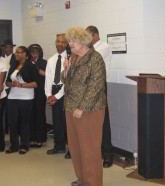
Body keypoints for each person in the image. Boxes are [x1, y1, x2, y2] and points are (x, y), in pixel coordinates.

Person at [62, 27, 106, 186]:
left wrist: (82, 107)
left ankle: (93, 182)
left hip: (89, 110)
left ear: (82, 41)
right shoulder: (74, 57)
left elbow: (96, 86)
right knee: (75, 147)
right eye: (69, 41)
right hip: (70, 107)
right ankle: (82, 179)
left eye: (72, 41)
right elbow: (66, 80)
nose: (69, 44)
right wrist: (65, 71)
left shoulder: (95, 58)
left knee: (89, 149)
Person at [86, 25, 113, 168]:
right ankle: (94, 154)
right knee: (90, 121)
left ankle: (108, 154)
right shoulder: (89, 48)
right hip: (87, 86)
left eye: (88, 36)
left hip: (100, 85)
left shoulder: (104, 47)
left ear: (95, 35)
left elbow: (90, 59)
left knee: (103, 120)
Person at [5, 46, 38, 155]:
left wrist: (21, 85)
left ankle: (24, 145)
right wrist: (12, 84)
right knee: (12, 122)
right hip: (12, 97)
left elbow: (36, 83)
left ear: (25, 54)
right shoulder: (14, 65)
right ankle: (14, 145)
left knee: (24, 122)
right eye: (16, 52)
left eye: (18, 52)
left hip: (26, 98)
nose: (16, 54)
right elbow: (7, 82)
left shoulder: (31, 66)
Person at [45, 34, 70, 158]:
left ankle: (71, 150)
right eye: (58, 41)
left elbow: (68, 81)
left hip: (65, 91)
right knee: (57, 122)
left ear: (67, 44)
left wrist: (57, 96)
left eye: (63, 42)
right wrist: (49, 95)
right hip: (54, 90)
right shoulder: (51, 59)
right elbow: (48, 79)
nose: (60, 44)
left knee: (67, 122)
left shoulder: (70, 58)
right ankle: (59, 146)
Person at [28, 44, 47, 147]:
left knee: (40, 114)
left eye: (36, 53)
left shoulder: (44, 63)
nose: (34, 55)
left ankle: (40, 138)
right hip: (29, 92)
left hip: (40, 92)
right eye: (32, 52)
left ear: (40, 53)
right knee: (31, 114)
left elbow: (50, 76)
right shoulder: (27, 63)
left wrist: (42, 72)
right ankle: (32, 138)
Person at [1, 39, 16, 134]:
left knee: (11, 109)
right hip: (1, 87)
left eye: (10, 47)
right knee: (3, 109)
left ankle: (12, 128)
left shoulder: (16, 58)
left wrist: (11, 85)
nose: (8, 49)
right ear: (4, 48)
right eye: (6, 47)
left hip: (12, 87)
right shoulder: (0, 57)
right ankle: (4, 128)